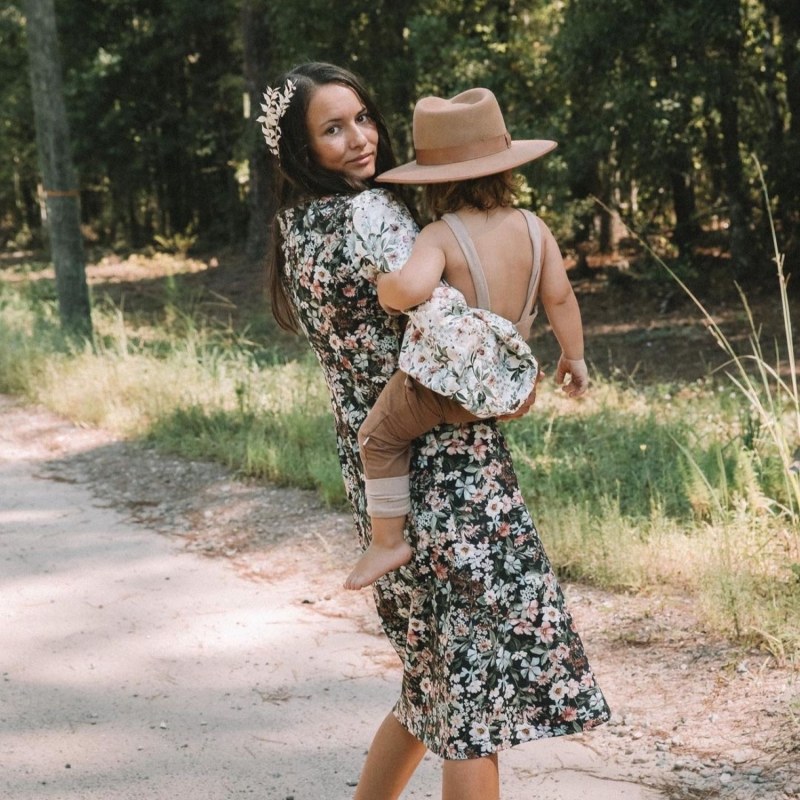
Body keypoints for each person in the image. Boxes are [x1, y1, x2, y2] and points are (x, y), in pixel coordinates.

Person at [262, 61, 609, 800]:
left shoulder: (295, 227)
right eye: (333, 128)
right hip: (449, 469)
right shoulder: (375, 217)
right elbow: (457, 341)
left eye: (363, 117)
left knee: (433, 679)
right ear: (300, 147)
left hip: (376, 470)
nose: (359, 139)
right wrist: (516, 389)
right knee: (473, 698)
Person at [344, 88, 588, 591]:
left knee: (378, 437)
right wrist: (573, 357)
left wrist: (384, 286)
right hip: (512, 391)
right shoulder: (535, 228)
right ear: (507, 167)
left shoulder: (439, 235)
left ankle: (388, 542)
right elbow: (561, 299)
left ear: (434, 183)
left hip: (445, 391)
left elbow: (409, 291)